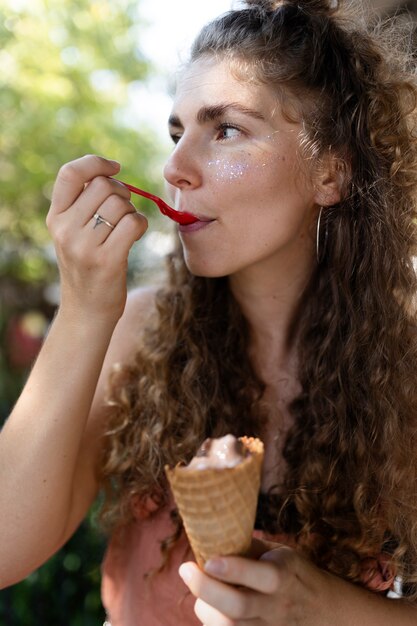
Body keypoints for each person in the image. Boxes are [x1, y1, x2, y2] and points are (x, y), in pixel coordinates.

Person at [2, 0, 417, 623]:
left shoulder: (404, 372)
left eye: (224, 130)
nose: (174, 168)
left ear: (330, 172)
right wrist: (87, 309)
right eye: (177, 133)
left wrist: (328, 606)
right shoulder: (137, 329)